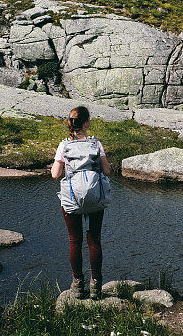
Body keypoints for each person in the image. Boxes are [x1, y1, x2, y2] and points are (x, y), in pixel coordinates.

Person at [51, 106, 112, 300]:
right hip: (95, 197)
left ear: (70, 123)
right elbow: (108, 171)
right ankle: (96, 284)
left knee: (74, 241)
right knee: (94, 240)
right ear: (86, 123)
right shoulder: (96, 144)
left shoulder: (64, 146)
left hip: (71, 199)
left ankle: (77, 284)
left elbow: (55, 174)